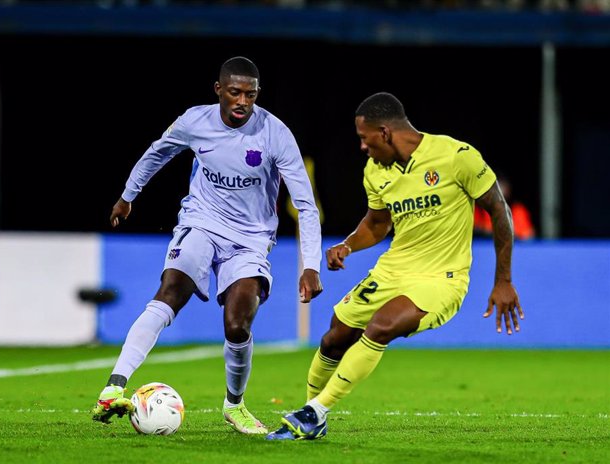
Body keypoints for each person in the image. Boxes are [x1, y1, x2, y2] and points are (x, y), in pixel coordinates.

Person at [266, 92, 524, 441]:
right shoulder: (375, 171)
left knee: (381, 326)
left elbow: (499, 211)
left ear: (385, 133)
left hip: (441, 279)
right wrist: (347, 245)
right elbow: (376, 224)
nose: (362, 147)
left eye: (364, 138)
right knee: (334, 338)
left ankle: (316, 411)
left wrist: (503, 280)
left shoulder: (455, 156)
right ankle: (313, 413)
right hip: (392, 270)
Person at [91, 56, 323, 435]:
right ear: (219, 90)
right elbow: (157, 152)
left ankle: (235, 405)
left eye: (250, 94)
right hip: (202, 222)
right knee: (170, 292)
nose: (242, 101)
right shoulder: (195, 122)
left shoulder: (275, 133)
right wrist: (128, 195)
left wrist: (309, 264)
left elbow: (304, 203)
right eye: (234, 92)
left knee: (237, 323)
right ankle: (114, 386)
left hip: (250, 239)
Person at [474, 173, 535, 240]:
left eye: (502, 186)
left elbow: (528, 235)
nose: (499, 191)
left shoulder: (518, 209)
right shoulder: (479, 210)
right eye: (495, 187)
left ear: (508, 189)